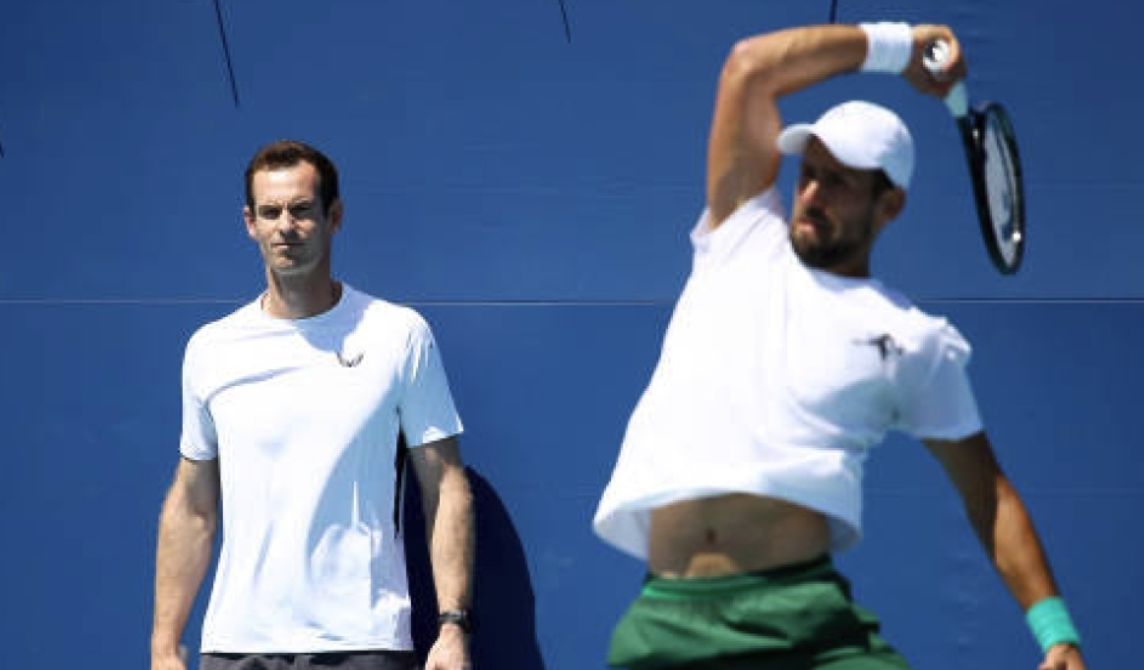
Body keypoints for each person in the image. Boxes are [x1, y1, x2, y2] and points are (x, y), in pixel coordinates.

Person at [593, 22, 1085, 670]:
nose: (814, 194)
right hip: (664, 626)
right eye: (810, 173)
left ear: (891, 205)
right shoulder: (738, 235)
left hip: (807, 626)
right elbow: (749, 66)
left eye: (842, 182)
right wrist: (898, 47)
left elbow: (986, 494)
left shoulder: (912, 340)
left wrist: (1058, 634)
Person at [151, 140, 475, 670]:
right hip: (237, 646)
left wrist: (453, 626)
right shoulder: (210, 349)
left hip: (362, 641)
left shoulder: (398, 334)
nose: (286, 226)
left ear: (334, 217)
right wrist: (164, 646)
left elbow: (445, 486)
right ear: (249, 223)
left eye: (302, 210)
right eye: (271, 212)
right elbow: (192, 506)